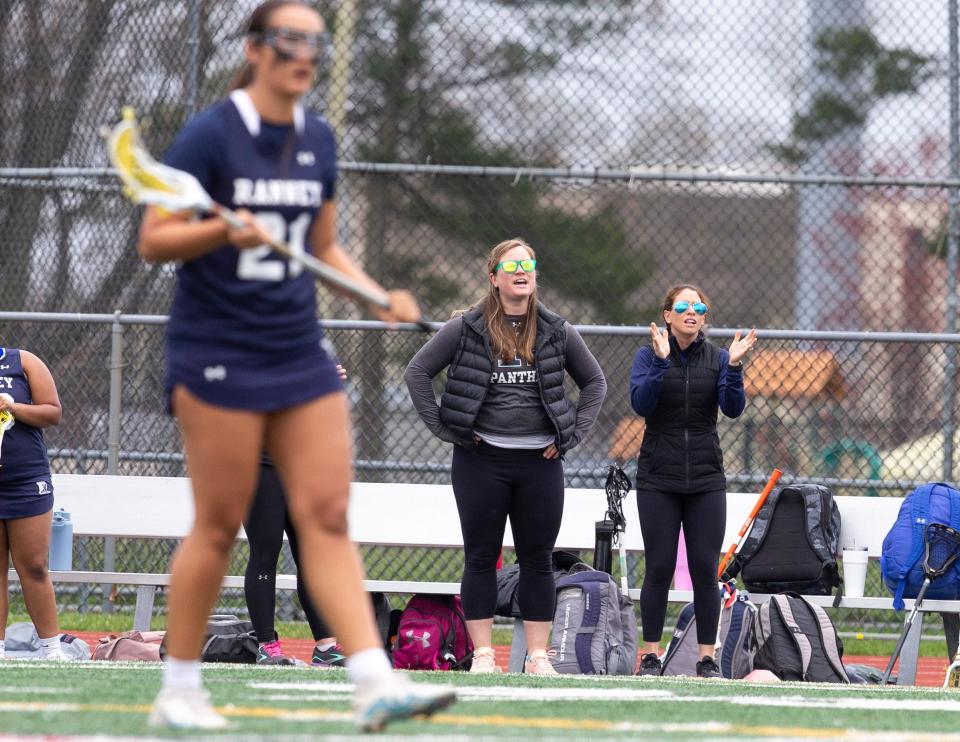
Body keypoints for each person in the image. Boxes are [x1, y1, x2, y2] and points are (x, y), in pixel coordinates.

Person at [136, 1, 454, 730]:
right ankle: (178, 690)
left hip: (296, 346)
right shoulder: (211, 134)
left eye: (314, 43)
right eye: (289, 40)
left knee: (329, 515)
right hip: (217, 347)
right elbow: (154, 239)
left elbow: (324, 244)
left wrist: (377, 295)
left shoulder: (318, 137)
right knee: (218, 524)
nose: (303, 55)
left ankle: (372, 682)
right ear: (256, 49)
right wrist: (220, 226)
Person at [404, 238, 607, 675]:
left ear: (535, 276)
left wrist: (569, 436)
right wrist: (445, 427)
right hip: (481, 460)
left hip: (540, 462)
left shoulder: (556, 328)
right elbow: (417, 371)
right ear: (494, 277)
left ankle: (537, 658)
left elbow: (595, 383)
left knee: (538, 558)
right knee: (480, 556)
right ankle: (482, 656)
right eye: (512, 265)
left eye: (529, 264)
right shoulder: (466, 327)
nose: (522, 271)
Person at [628, 284, 756, 678]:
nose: (691, 311)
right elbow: (641, 403)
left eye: (698, 306)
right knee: (660, 566)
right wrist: (663, 362)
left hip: (705, 478)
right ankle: (650, 655)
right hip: (658, 477)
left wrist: (733, 369)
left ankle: (706, 658)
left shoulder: (718, 358)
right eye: (682, 306)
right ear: (667, 315)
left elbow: (733, 409)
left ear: (703, 316)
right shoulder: (649, 354)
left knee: (705, 568)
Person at [0, 347, 67, 662]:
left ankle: (51, 650)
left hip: (26, 481)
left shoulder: (22, 361)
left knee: (35, 567)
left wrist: (12, 407)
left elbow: (52, 412)